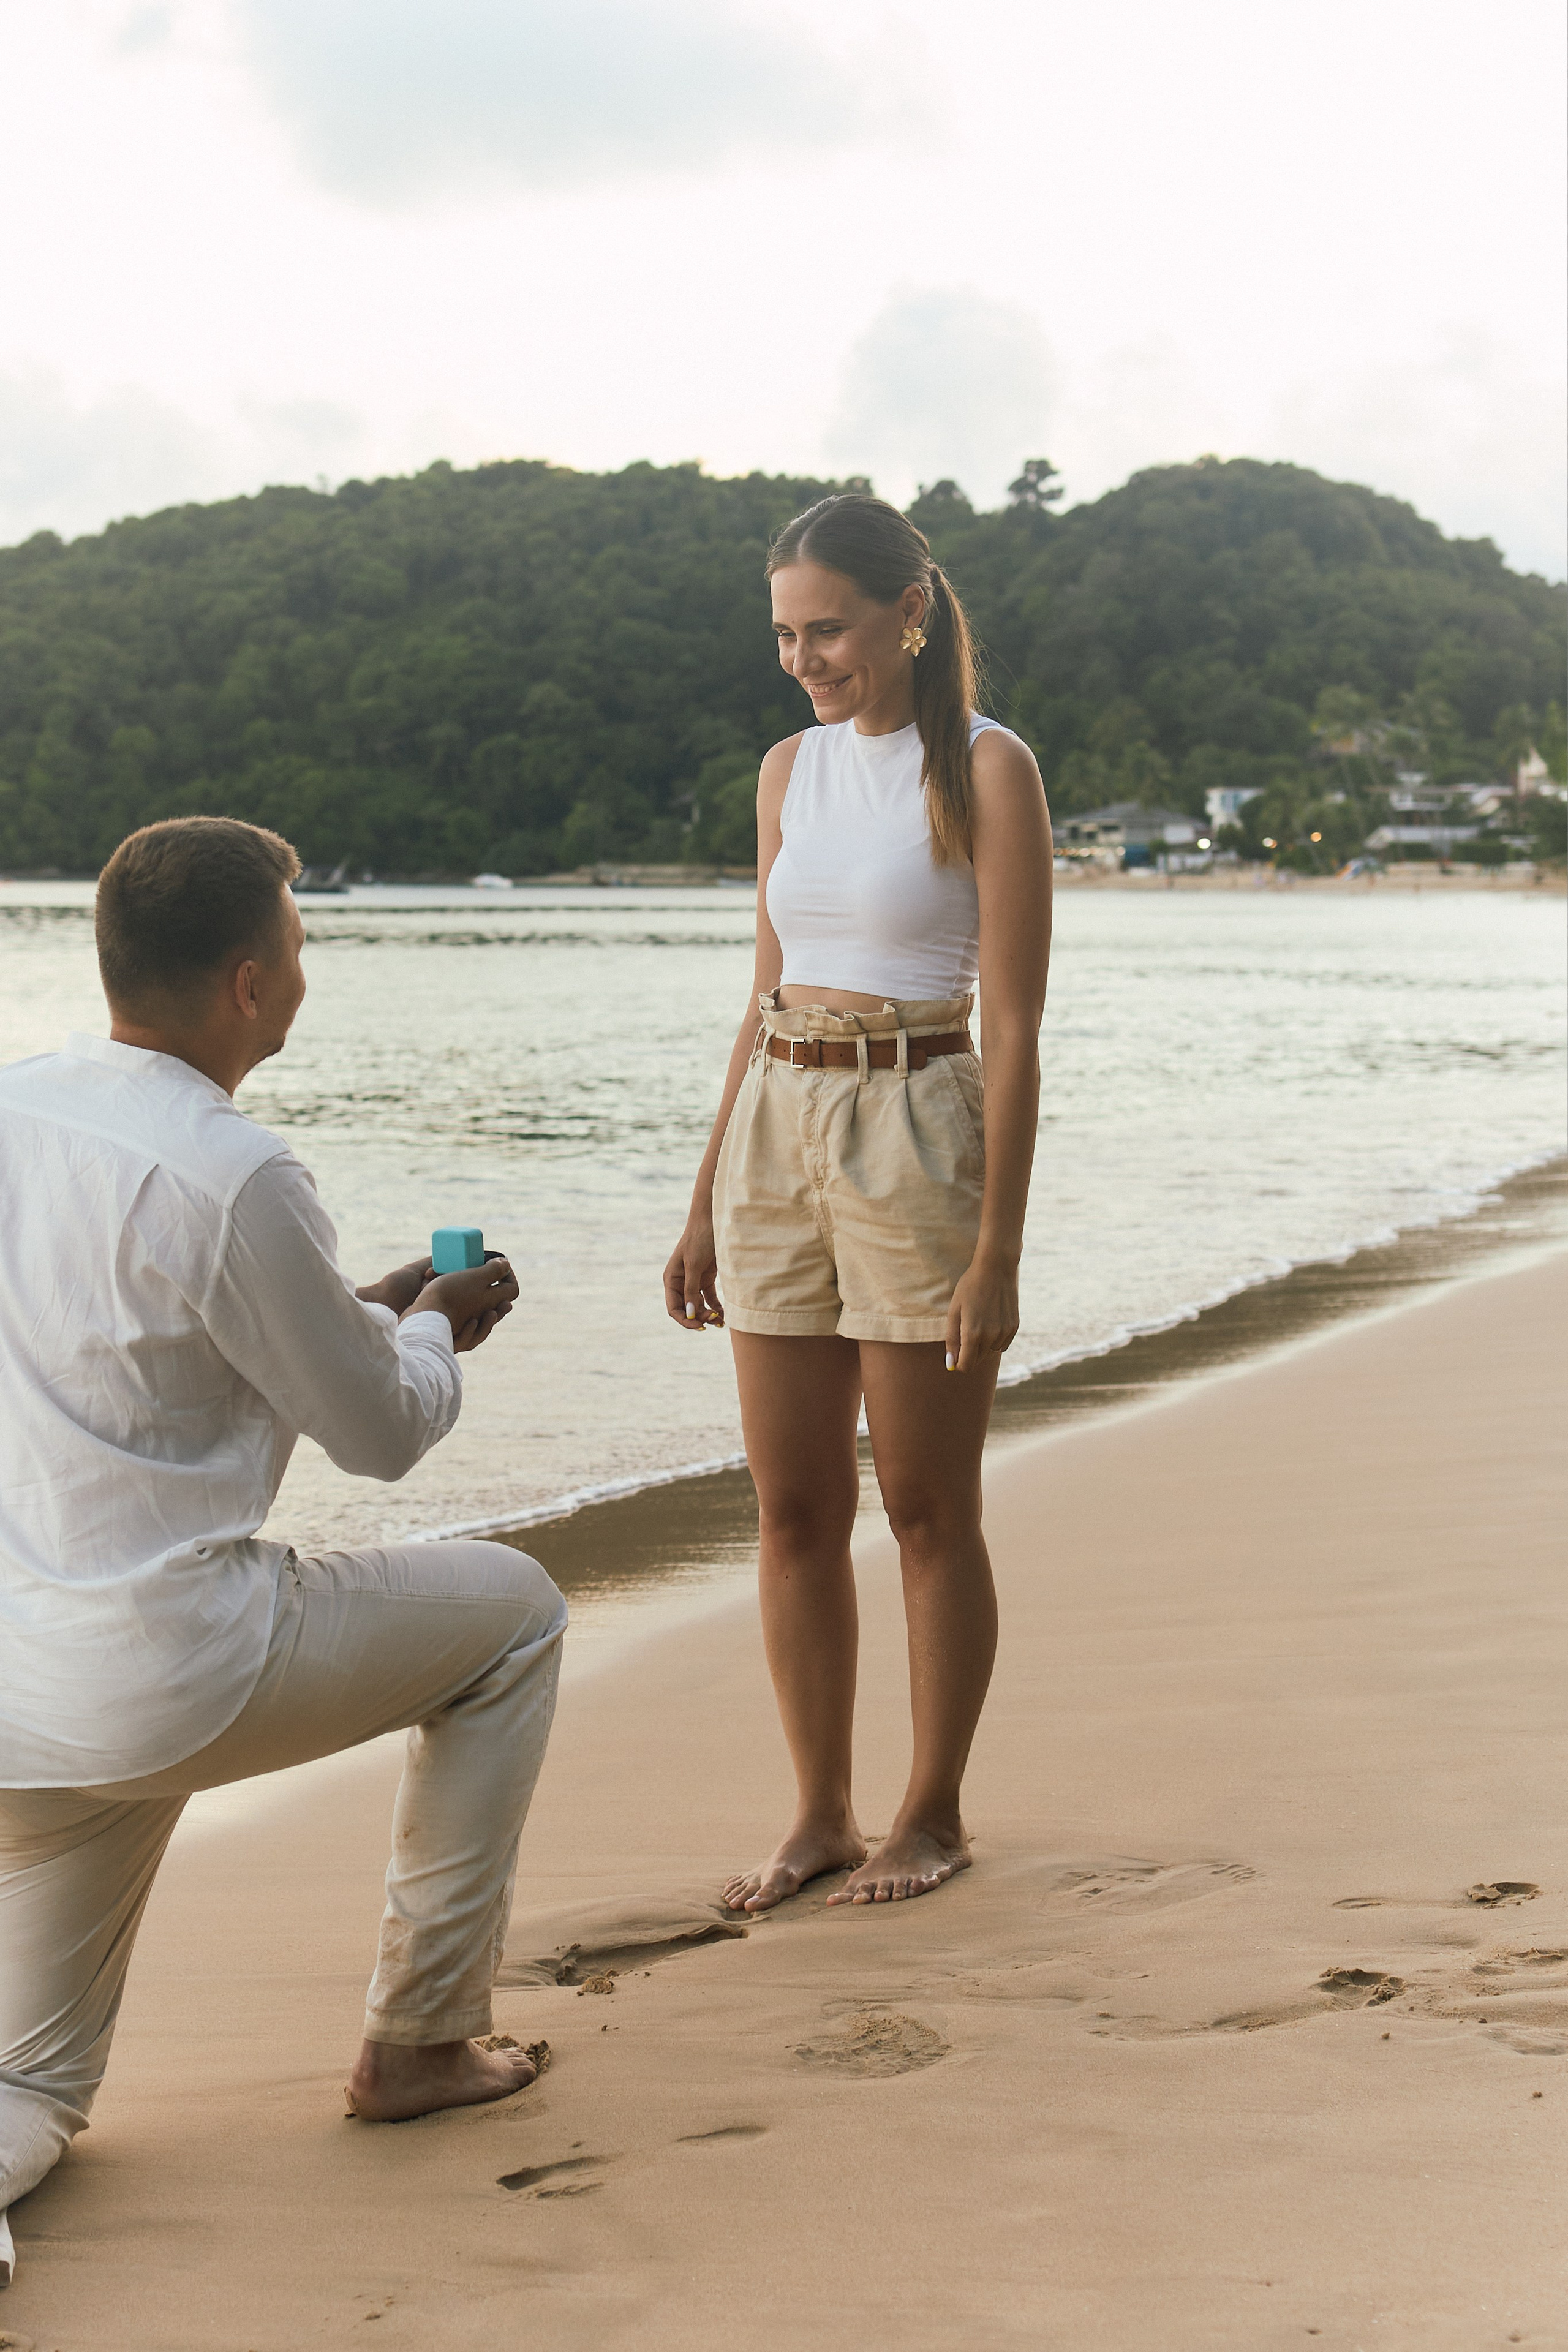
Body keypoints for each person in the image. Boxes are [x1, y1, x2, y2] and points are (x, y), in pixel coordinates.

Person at [0, 818, 565, 2286]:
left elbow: (127, 1352)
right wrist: (433, 1327)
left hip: (17, 1688)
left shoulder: (17, 1108)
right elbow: (379, 1435)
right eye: (301, 953)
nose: (304, 980)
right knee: (513, 1618)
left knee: (27, 2091)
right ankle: (423, 2037)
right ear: (250, 983)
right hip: (166, 1670)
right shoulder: (238, 1169)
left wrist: (356, 1308)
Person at [663, 494, 1052, 1914]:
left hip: (916, 1123)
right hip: (778, 1118)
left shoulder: (988, 771)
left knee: (924, 1505)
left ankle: (929, 1811)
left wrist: (995, 1249)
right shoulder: (787, 772)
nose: (803, 657)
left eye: (825, 626)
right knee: (790, 1507)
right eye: (783, 632)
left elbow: (1009, 1026)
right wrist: (705, 1193)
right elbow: (758, 992)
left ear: (910, 608)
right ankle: (818, 1813)